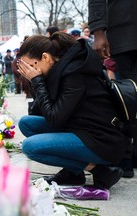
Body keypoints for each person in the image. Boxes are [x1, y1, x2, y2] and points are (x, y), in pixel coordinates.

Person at [17, 32, 129, 189]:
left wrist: (37, 81)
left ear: (46, 58)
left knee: (31, 147)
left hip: (102, 140)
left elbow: (54, 118)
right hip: (81, 128)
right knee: (26, 123)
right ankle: (73, 173)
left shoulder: (73, 74)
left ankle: (100, 170)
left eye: (30, 65)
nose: (29, 71)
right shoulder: (59, 70)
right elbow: (40, 112)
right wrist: (36, 82)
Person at [89, 0, 137, 178]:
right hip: (124, 32)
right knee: (126, 98)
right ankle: (125, 156)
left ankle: (132, 155)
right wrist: (98, 31)